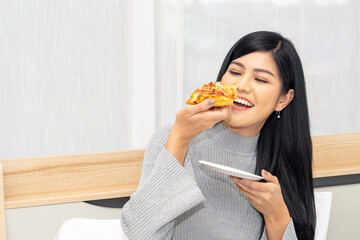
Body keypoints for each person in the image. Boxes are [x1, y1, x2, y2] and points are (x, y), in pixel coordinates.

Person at [120, 31, 316, 240]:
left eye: (260, 79)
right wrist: (179, 140)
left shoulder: (285, 161)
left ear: (283, 100)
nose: (241, 86)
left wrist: (276, 215)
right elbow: (139, 234)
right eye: (235, 72)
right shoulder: (171, 138)